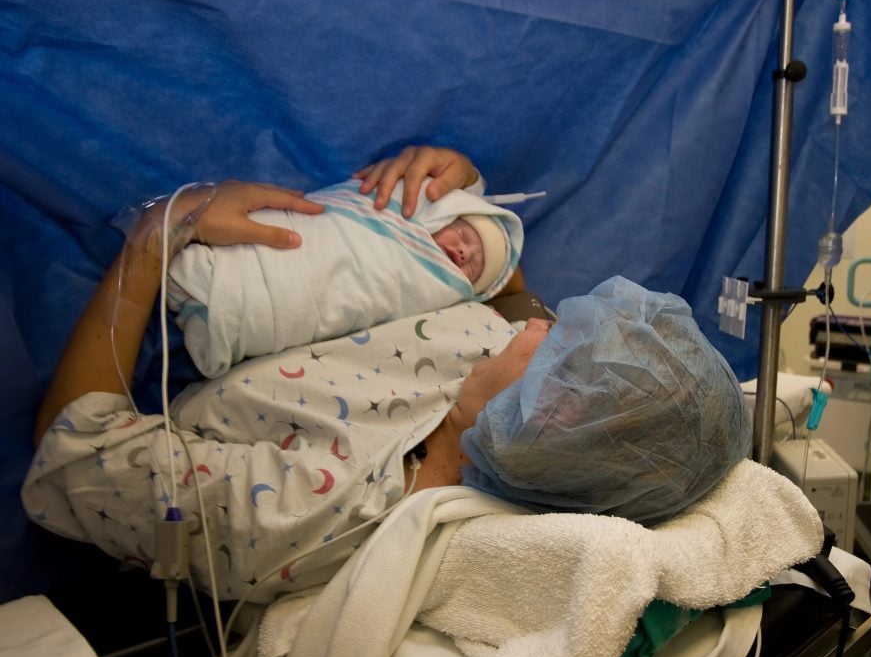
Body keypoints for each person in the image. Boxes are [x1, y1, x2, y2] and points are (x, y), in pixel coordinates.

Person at [23, 147, 750, 604]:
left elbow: (77, 451)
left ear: (553, 415)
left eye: (557, 343)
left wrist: (159, 234)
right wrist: (463, 205)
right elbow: (515, 294)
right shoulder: (521, 412)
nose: (537, 321)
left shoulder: (301, 512)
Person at [165, 163, 524, 379]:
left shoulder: (438, 295)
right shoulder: (400, 213)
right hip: (254, 255)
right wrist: (471, 177)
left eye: (473, 265)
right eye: (463, 235)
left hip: (272, 317)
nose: (463, 251)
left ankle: (237, 310)